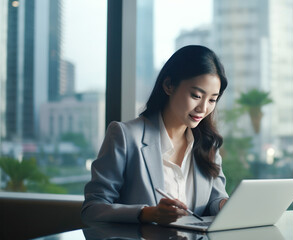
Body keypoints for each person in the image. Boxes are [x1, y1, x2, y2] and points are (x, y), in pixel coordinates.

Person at [81, 45, 229, 224]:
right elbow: (92, 209)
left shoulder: (208, 144)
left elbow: (214, 200)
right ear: (168, 86)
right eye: (196, 96)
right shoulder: (126, 136)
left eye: (212, 99)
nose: (203, 108)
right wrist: (147, 213)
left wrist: (224, 205)